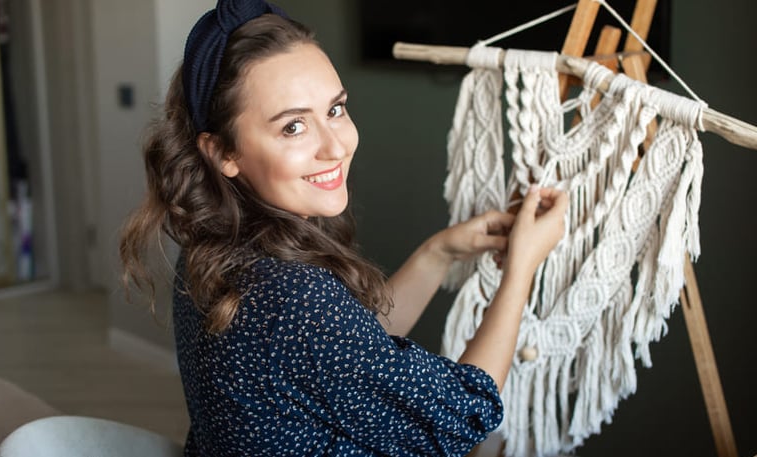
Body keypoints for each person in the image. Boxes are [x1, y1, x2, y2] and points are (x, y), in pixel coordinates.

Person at [119, 1, 567, 456]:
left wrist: (440, 253)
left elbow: (348, 355)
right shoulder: (291, 296)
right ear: (222, 153)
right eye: (293, 126)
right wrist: (523, 268)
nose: (336, 146)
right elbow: (463, 416)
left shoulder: (212, 247)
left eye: (335, 110)